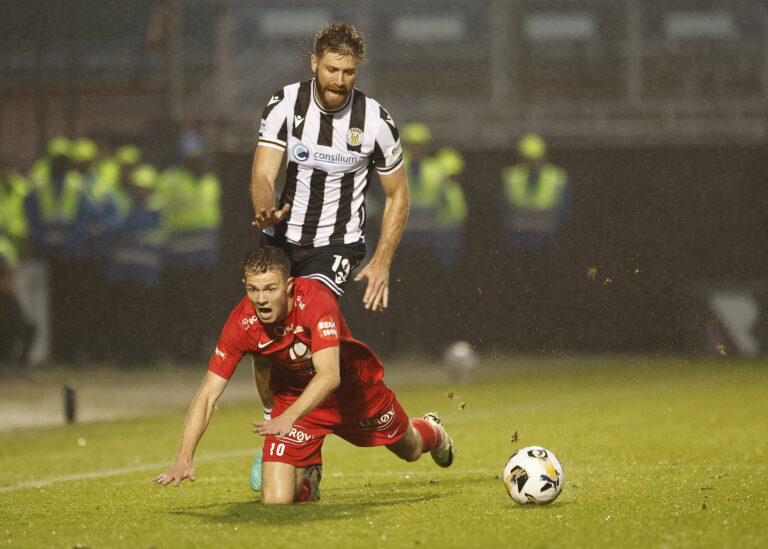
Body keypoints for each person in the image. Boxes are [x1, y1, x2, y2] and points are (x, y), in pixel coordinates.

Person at [153, 246, 455, 504]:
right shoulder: (241, 323)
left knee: (411, 449)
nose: (260, 300)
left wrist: (287, 417)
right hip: (296, 397)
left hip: (355, 394)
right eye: (253, 289)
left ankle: (433, 429)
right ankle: (310, 475)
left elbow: (329, 376)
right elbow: (207, 395)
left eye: (270, 289)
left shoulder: (315, 301)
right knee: (274, 500)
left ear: (288, 286)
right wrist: (184, 455)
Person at [247, 22, 411, 487]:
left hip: (336, 246)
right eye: (332, 69)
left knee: (305, 336)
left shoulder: (375, 119)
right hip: (282, 237)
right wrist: (264, 208)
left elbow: (399, 195)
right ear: (314, 63)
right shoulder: (286, 104)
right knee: (265, 346)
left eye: (349, 72)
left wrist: (380, 260)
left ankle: (305, 453)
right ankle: (276, 430)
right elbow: (262, 173)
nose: (339, 80)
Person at [496, 134, 572, 351]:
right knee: (519, 296)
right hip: (517, 246)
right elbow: (503, 210)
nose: (532, 162)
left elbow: (565, 211)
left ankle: (545, 342)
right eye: (528, 158)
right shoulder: (511, 177)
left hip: (546, 245)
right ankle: (521, 342)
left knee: (545, 295)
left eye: (535, 157)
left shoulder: (557, 178)